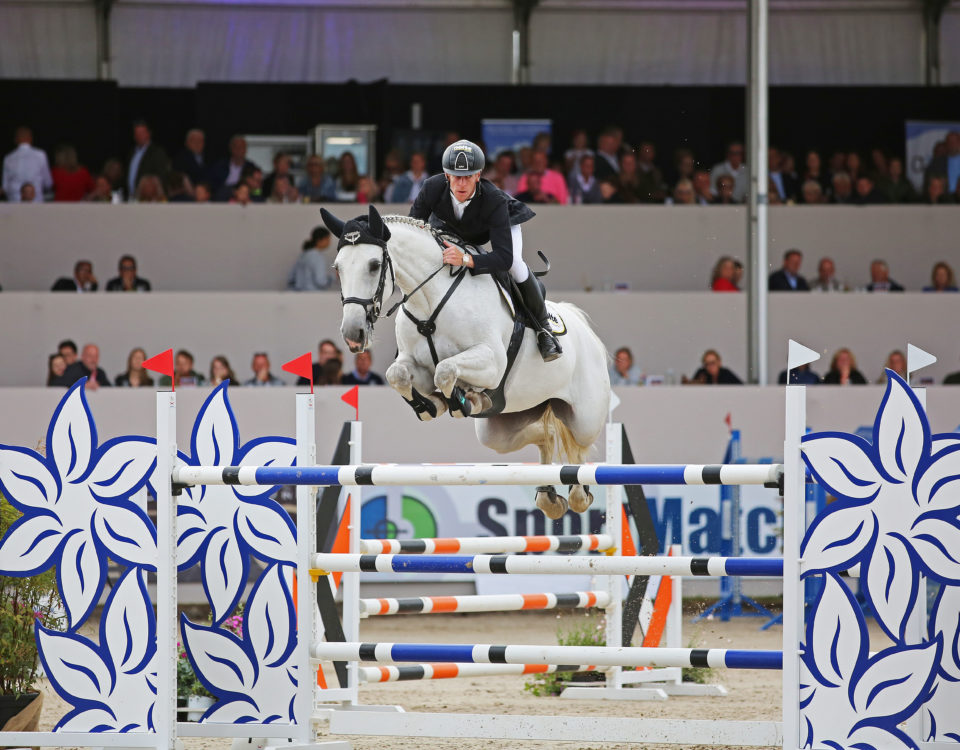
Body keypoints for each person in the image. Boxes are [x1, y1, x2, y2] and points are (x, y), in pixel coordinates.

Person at [409, 139, 562, 361]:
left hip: (496, 225)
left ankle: (544, 330)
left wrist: (466, 259)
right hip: (452, 226)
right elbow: (414, 232)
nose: (461, 184)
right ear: (446, 175)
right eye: (456, 176)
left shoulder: (494, 200)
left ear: (478, 175)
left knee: (516, 266)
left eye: (468, 177)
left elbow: (503, 258)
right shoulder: (431, 188)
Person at [2, 126, 52, 202]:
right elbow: (48, 183)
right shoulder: (41, 155)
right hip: (36, 202)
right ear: (31, 138)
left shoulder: (8, 158)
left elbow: (5, 186)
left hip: (14, 202)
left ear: (15, 140)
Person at [126, 120, 169, 201]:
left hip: (150, 199)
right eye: (137, 133)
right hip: (132, 198)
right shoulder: (132, 152)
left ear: (148, 133)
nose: (139, 136)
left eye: (142, 133)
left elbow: (161, 175)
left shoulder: (157, 152)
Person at [288, 226, 333, 291]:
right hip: (313, 296)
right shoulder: (318, 257)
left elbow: (291, 278)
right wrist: (333, 277)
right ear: (320, 240)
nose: (329, 242)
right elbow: (321, 281)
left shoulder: (303, 255)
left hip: (298, 295)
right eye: (328, 239)